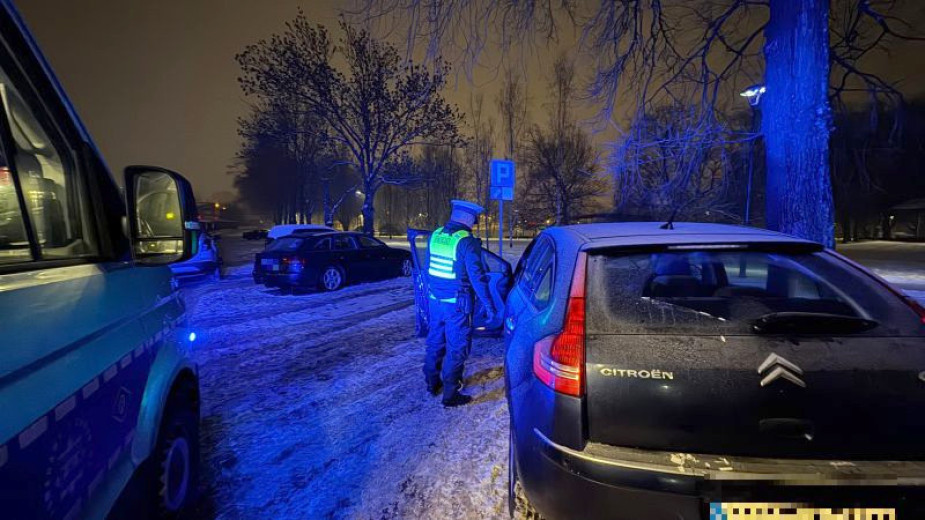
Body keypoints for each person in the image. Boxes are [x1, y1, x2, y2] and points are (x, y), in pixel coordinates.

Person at [423, 200, 498, 407]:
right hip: (457, 304)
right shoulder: (466, 241)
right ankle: (450, 395)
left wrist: (435, 292)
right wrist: (490, 307)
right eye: (474, 219)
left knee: (435, 340)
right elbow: (477, 278)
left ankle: (432, 383)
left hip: (435, 301)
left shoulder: (436, 235)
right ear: (467, 218)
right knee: (457, 347)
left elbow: (428, 268)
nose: (474, 223)